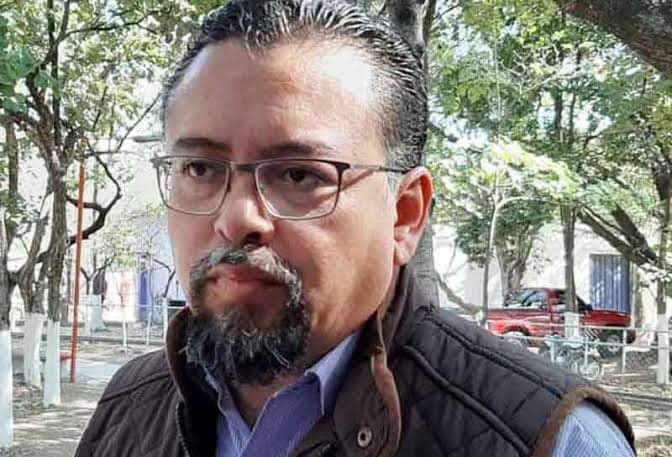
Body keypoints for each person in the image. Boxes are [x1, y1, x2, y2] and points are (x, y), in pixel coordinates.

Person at [75, 1, 636, 456]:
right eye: (200, 169)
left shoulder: (548, 438)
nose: (237, 217)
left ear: (406, 214)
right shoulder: (129, 408)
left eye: (299, 175)